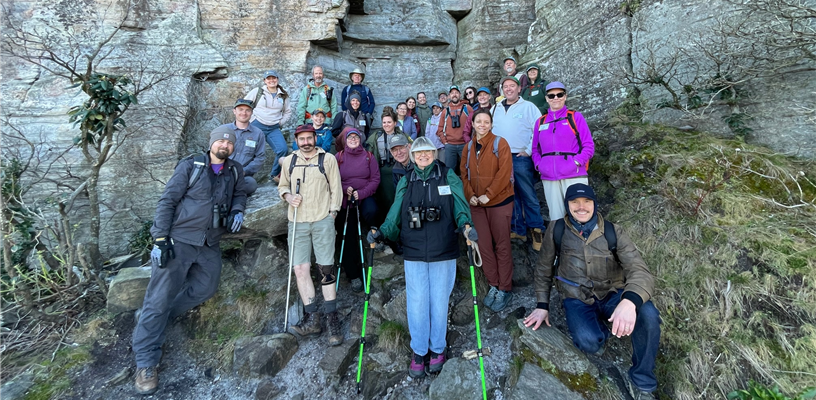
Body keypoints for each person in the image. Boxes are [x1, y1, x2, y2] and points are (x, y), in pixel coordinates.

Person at [133, 126, 248, 395]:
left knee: (207, 287)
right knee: (158, 298)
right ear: (211, 143)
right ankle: (146, 361)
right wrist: (160, 238)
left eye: (229, 143)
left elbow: (240, 193)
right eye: (220, 141)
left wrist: (238, 209)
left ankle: (159, 317)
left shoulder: (234, 170)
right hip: (180, 240)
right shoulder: (192, 165)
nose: (224, 145)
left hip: (209, 242)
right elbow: (167, 201)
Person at [523, 183, 660, 400]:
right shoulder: (557, 230)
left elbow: (640, 271)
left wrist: (629, 302)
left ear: (594, 204)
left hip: (613, 293)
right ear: (567, 205)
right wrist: (542, 305)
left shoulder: (613, 231)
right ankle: (604, 332)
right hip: (576, 297)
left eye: (587, 201)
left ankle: (643, 380)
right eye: (575, 202)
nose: (581, 207)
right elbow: (543, 269)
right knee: (588, 341)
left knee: (649, 314)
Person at [367, 137, 476, 378]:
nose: (423, 156)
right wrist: (382, 231)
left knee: (439, 300)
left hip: (443, 247)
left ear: (434, 154)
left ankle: (437, 348)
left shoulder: (447, 175)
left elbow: (460, 205)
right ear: (413, 156)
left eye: (427, 152)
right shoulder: (407, 180)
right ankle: (419, 351)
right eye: (419, 153)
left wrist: (465, 225)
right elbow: (396, 211)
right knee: (417, 302)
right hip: (414, 249)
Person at [279, 124, 344, 346]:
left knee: (326, 269)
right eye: (302, 139)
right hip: (297, 221)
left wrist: (333, 213)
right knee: (300, 268)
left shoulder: (328, 159)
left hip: (322, 219)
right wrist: (288, 196)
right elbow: (282, 186)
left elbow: (336, 188)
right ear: (296, 140)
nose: (306, 142)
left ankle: (332, 319)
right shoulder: (290, 161)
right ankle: (312, 318)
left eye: (309, 138)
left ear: (315, 138)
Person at [460, 109, 515, 312]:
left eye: (486, 121)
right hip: (477, 205)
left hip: (499, 201)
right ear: (473, 124)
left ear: (491, 124)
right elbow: (463, 174)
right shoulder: (468, 147)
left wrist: (489, 195)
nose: (482, 125)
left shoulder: (500, 143)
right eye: (478, 121)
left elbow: (504, 173)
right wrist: (470, 194)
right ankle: (493, 284)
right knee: (483, 245)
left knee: (502, 244)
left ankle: (505, 288)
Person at [490, 76, 545, 250]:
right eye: (505, 86)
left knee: (528, 194)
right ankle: (517, 229)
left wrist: (529, 150)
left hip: (520, 156)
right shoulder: (495, 108)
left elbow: (539, 129)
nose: (508, 89)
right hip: (501, 158)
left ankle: (537, 230)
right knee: (510, 195)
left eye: (512, 85)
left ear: (519, 88)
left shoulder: (529, 107)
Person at [531, 81, 595, 223]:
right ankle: (560, 239)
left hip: (574, 175)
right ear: (546, 98)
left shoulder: (575, 117)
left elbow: (588, 146)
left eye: (559, 94)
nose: (556, 98)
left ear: (565, 96)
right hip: (549, 177)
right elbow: (535, 149)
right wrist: (540, 166)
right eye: (551, 95)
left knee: (580, 216)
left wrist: (576, 162)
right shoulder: (540, 122)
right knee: (557, 218)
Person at [334, 128, 380, 292]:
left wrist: (361, 193)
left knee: (372, 211)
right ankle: (353, 274)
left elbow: (375, 179)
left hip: (364, 196)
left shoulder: (368, 156)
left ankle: (376, 234)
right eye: (350, 137)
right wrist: (344, 189)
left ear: (360, 140)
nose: (353, 139)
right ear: (345, 140)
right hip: (346, 200)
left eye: (356, 137)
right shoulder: (338, 157)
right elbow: (333, 179)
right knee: (347, 236)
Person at [244, 70, 292, 183]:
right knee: (249, 150)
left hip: (273, 128)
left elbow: (288, 112)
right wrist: (251, 120)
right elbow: (244, 105)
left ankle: (274, 175)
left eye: (273, 78)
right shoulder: (258, 91)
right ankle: (245, 175)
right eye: (268, 78)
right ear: (265, 81)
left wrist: (280, 123)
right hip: (256, 126)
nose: (271, 80)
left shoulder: (283, 95)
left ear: (277, 79)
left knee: (282, 149)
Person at [365, 109, 413, 216]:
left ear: (395, 123)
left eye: (389, 122)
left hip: (398, 169)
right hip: (382, 170)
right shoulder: (376, 136)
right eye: (384, 122)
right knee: (384, 198)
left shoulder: (402, 135)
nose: (386, 125)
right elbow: (369, 152)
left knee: (397, 195)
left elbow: (411, 146)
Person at [226, 98, 265, 196]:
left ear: (252, 113)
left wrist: (244, 171)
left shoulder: (258, 133)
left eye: (247, 110)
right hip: (223, 172)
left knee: (251, 184)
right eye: (241, 109)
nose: (244, 113)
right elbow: (212, 152)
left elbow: (260, 157)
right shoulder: (224, 130)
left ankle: (228, 191)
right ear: (234, 111)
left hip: (243, 176)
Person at [435, 85, 473, 177]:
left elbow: (475, 125)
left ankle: (467, 186)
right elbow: (440, 129)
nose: (454, 95)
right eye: (452, 93)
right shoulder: (445, 111)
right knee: (449, 171)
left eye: (456, 93)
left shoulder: (467, 108)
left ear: (460, 94)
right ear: (449, 96)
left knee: (468, 169)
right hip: (450, 145)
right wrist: (445, 142)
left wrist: (470, 141)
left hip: (465, 144)